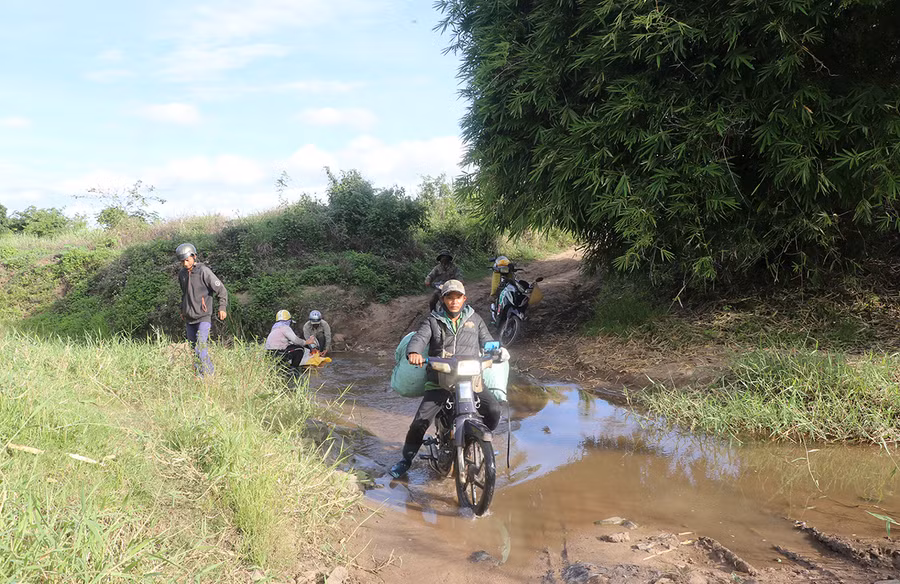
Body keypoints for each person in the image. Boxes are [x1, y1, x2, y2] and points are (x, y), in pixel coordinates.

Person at [389, 279, 506, 479]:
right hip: (439, 381)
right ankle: (406, 460)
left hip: (471, 380)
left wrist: (497, 351)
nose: (454, 301)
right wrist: (414, 352)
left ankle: (477, 442)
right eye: (449, 297)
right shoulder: (433, 320)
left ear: (464, 299)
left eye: (457, 297)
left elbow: (486, 341)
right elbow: (419, 338)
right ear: (443, 299)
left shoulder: (475, 319)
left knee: (494, 410)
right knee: (420, 422)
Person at [176, 243, 228, 377]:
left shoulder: (204, 271)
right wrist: (183, 310)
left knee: (201, 348)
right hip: (189, 318)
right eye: (182, 261)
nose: (185, 263)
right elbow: (185, 294)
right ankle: (200, 377)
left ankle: (210, 375)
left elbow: (221, 289)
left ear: (194, 256)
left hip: (203, 316)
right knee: (194, 350)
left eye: (187, 260)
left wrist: (222, 307)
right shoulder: (182, 274)